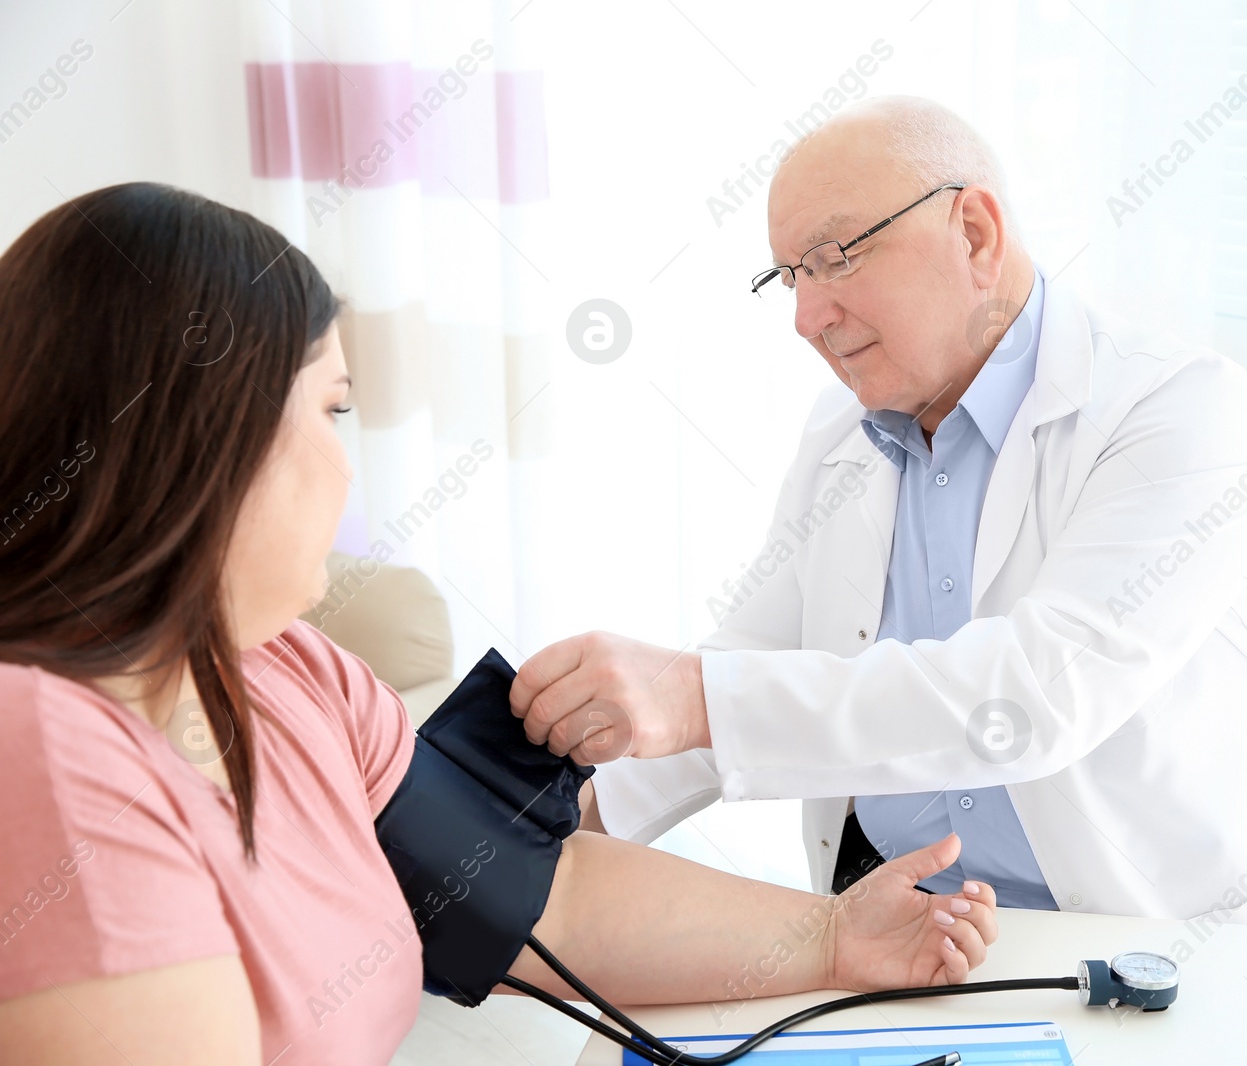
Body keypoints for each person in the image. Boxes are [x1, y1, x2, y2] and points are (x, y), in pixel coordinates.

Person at [0, 183, 999, 1066]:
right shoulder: (40, 752)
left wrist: (828, 937)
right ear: (196, 438)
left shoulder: (292, 672)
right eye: (332, 410)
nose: (347, 469)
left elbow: (537, 895)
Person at [510, 96, 1247, 934]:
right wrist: (557, 816)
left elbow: (1034, 693)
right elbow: (758, 658)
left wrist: (695, 699)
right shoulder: (841, 432)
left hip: (1167, 944)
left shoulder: (1180, 409)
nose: (808, 318)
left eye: (837, 256)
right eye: (791, 277)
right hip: (917, 932)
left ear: (974, 234)